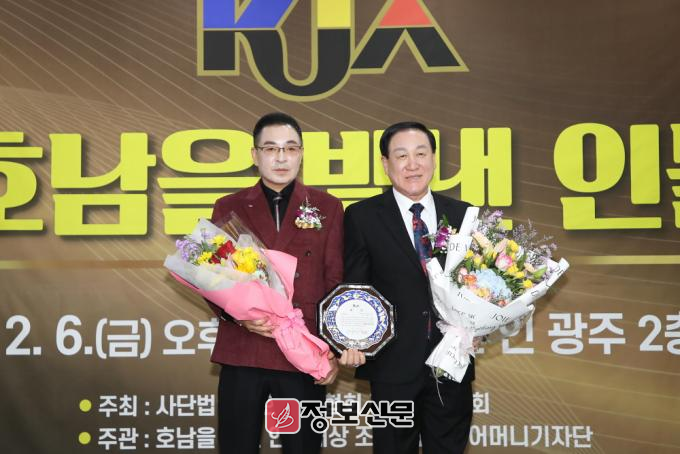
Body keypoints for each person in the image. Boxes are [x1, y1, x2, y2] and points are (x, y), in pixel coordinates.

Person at [207, 112, 360, 454]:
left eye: (290, 148)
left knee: (302, 447)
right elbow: (211, 274)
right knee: (237, 446)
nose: (281, 157)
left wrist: (330, 350)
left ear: (301, 154)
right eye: (271, 148)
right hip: (244, 347)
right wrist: (238, 317)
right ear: (255, 155)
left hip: (303, 351)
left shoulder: (327, 206)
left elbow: (334, 280)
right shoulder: (229, 206)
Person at [344, 121, 474, 454]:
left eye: (421, 154)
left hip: (451, 362)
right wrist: (352, 339)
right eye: (401, 156)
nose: (412, 164)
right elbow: (355, 287)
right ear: (385, 164)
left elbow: (478, 286)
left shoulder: (463, 214)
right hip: (392, 364)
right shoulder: (362, 216)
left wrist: (479, 327)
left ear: (434, 159)